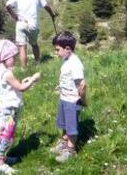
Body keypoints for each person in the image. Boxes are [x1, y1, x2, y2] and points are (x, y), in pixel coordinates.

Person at [0, 39, 41, 174]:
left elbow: (15, 86)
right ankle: (0, 163)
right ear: (5, 57)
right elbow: (21, 88)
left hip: (6, 110)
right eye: (12, 57)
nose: (15, 59)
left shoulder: (2, 70)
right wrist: (33, 79)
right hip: (7, 111)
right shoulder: (7, 73)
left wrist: (24, 81)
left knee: (4, 135)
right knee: (5, 136)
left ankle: (3, 157)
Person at [50, 31, 86, 163]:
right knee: (64, 123)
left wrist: (83, 100)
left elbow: (81, 85)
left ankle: (71, 149)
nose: (56, 52)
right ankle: (64, 143)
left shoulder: (76, 64)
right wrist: (61, 86)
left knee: (71, 126)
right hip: (64, 98)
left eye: (57, 49)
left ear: (67, 48)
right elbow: (67, 78)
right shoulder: (66, 59)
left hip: (72, 100)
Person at [6, 0, 56, 69]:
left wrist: (14, 16)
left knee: (22, 47)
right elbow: (46, 6)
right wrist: (52, 14)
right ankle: (37, 63)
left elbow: (8, 5)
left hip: (21, 23)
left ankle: (23, 69)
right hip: (33, 24)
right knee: (34, 44)